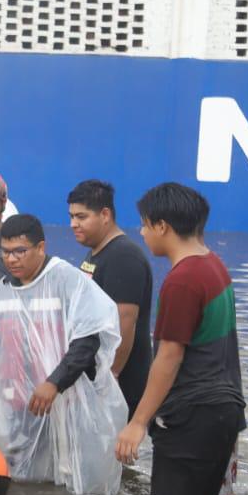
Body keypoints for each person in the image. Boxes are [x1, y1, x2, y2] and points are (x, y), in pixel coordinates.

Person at [116, 183, 246, 495]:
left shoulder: (182, 280)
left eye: (144, 224)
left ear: (162, 226)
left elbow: (169, 357)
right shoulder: (215, 265)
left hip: (192, 413)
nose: (142, 232)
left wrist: (138, 422)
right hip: (224, 410)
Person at [0, 214, 127, 495]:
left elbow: (87, 341)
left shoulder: (67, 280)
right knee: (21, 483)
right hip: (20, 403)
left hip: (67, 399)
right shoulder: (3, 290)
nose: (11, 259)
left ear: (40, 247)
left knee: (73, 482)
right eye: (5, 252)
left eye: (20, 251)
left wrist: (54, 383)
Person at [68, 179, 154, 419]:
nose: (73, 224)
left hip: (119, 388)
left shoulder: (123, 256)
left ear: (105, 214)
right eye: (71, 216)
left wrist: (110, 377)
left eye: (81, 217)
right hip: (95, 381)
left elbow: (124, 322)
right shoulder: (96, 253)